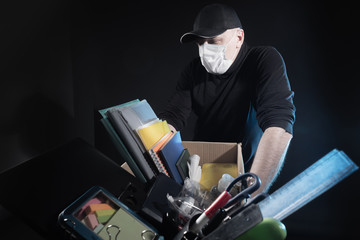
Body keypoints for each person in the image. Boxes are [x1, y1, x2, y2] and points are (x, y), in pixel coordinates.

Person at [158, 3, 295, 196]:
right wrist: (152, 150)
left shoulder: (262, 60)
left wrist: (251, 191)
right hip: (200, 173)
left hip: (246, 174)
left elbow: (278, 126)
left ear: (238, 37)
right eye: (200, 43)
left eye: (214, 41)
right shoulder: (194, 70)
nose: (205, 50)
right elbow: (172, 117)